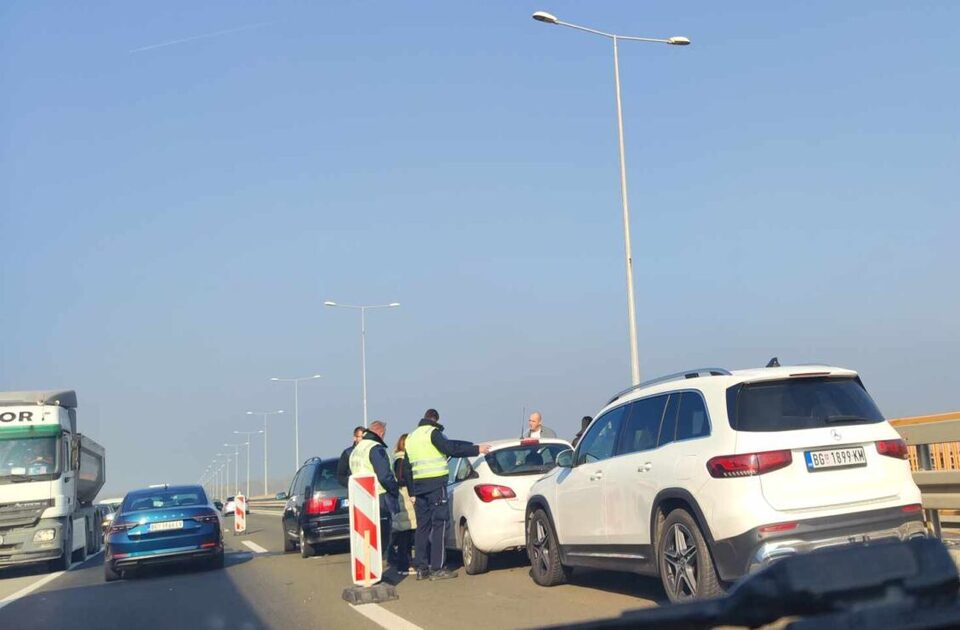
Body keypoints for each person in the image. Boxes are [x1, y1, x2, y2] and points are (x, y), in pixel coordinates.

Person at [404, 408, 491, 581]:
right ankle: (437, 567)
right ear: (436, 420)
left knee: (422, 528)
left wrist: (411, 492)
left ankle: (422, 568)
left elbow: (406, 467)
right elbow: (450, 448)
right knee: (440, 525)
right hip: (436, 484)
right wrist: (476, 449)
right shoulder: (433, 433)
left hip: (419, 487)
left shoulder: (411, 437)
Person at [348, 420, 400, 566]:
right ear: (381, 433)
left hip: (361, 497)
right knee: (383, 533)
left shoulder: (357, 449)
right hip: (378, 495)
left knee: (367, 535)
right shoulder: (375, 448)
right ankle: (380, 564)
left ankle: (369, 565)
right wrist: (394, 489)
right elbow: (384, 475)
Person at [389, 433, 417, 575]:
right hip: (405, 498)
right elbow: (402, 479)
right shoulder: (402, 460)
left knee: (404, 534)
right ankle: (405, 565)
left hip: (402, 498)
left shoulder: (396, 459)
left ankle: (403, 565)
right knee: (406, 534)